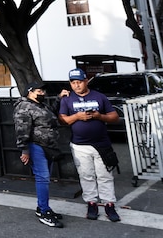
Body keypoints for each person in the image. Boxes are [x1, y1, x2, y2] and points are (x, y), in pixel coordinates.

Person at [59, 68, 122, 223]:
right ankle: (91, 203)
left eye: (79, 82)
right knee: (86, 175)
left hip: (101, 144)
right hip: (80, 145)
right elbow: (62, 120)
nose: (76, 85)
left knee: (104, 175)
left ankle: (109, 204)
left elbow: (114, 116)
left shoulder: (99, 96)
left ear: (86, 81)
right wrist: (77, 116)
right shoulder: (67, 99)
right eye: (73, 82)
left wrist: (99, 116)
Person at [13, 81, 64, 228]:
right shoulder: (24, 107)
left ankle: (42, 207)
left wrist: (59, 99)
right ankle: (44, 211)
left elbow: (51, 115)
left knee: (45, 177)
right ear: (30, 92)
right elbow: (22, 129)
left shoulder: (41, 105)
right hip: (35, 146)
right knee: (43, 178)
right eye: (39, 91)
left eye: (43, 91)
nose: (42, 93)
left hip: (48, 146)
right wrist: (24, 149)